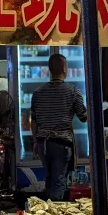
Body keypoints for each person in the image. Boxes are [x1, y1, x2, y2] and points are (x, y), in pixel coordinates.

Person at [30, 54, 87, 201]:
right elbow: (84, 117)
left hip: (43, 143)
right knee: (59, 180)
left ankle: (47, 210)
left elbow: (34, 121)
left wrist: (36, 142)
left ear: (49, 69)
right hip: (61, 143)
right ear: (64, 68)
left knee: (49, 179)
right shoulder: (73, 91)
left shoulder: (37, 93)